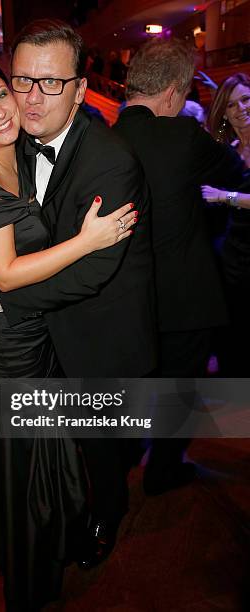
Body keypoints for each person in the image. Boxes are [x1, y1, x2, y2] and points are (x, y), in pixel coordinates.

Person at [0, 19, 156, 571]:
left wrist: (1, 298)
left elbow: (92, 271)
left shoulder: (111, 160)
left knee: (102, 447)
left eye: (50, 82)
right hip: (42, 341)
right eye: (22, 80)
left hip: (101, 334)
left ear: (78, 87)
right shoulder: (11, 142)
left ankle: (107, 516)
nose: (31, 97)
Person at [113, 39, 247, 494]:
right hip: (186, 296)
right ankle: (163, 470)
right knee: (181, 387)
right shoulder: (183, 136)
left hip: (125, 295)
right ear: (173, 93)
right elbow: (232, 171)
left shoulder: (98, 139)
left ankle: (128, 451)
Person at [201, 73, 250, 376]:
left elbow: (221, 197)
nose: (241, 109)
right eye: (231, 105)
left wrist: (224, 196)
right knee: (236, 330)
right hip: (233, 256)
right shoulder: (228, 149)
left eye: (246, 99)